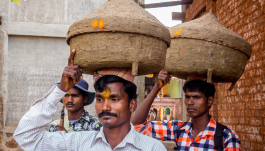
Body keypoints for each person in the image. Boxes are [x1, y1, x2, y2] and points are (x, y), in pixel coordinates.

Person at [13, 49, 166, 151]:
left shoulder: (152, 148)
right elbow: (26, 137)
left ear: (132, 104)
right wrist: (60, 89)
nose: (105, 107)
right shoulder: (78, 143)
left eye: (114, 99)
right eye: (100, 99)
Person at [132, 70, 241, 151]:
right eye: (188, 97)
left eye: (196, 97)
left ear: (210, 101)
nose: (190, 102)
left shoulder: (227, 137)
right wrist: (157, 87)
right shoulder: (178, 129)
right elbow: (137, 127)